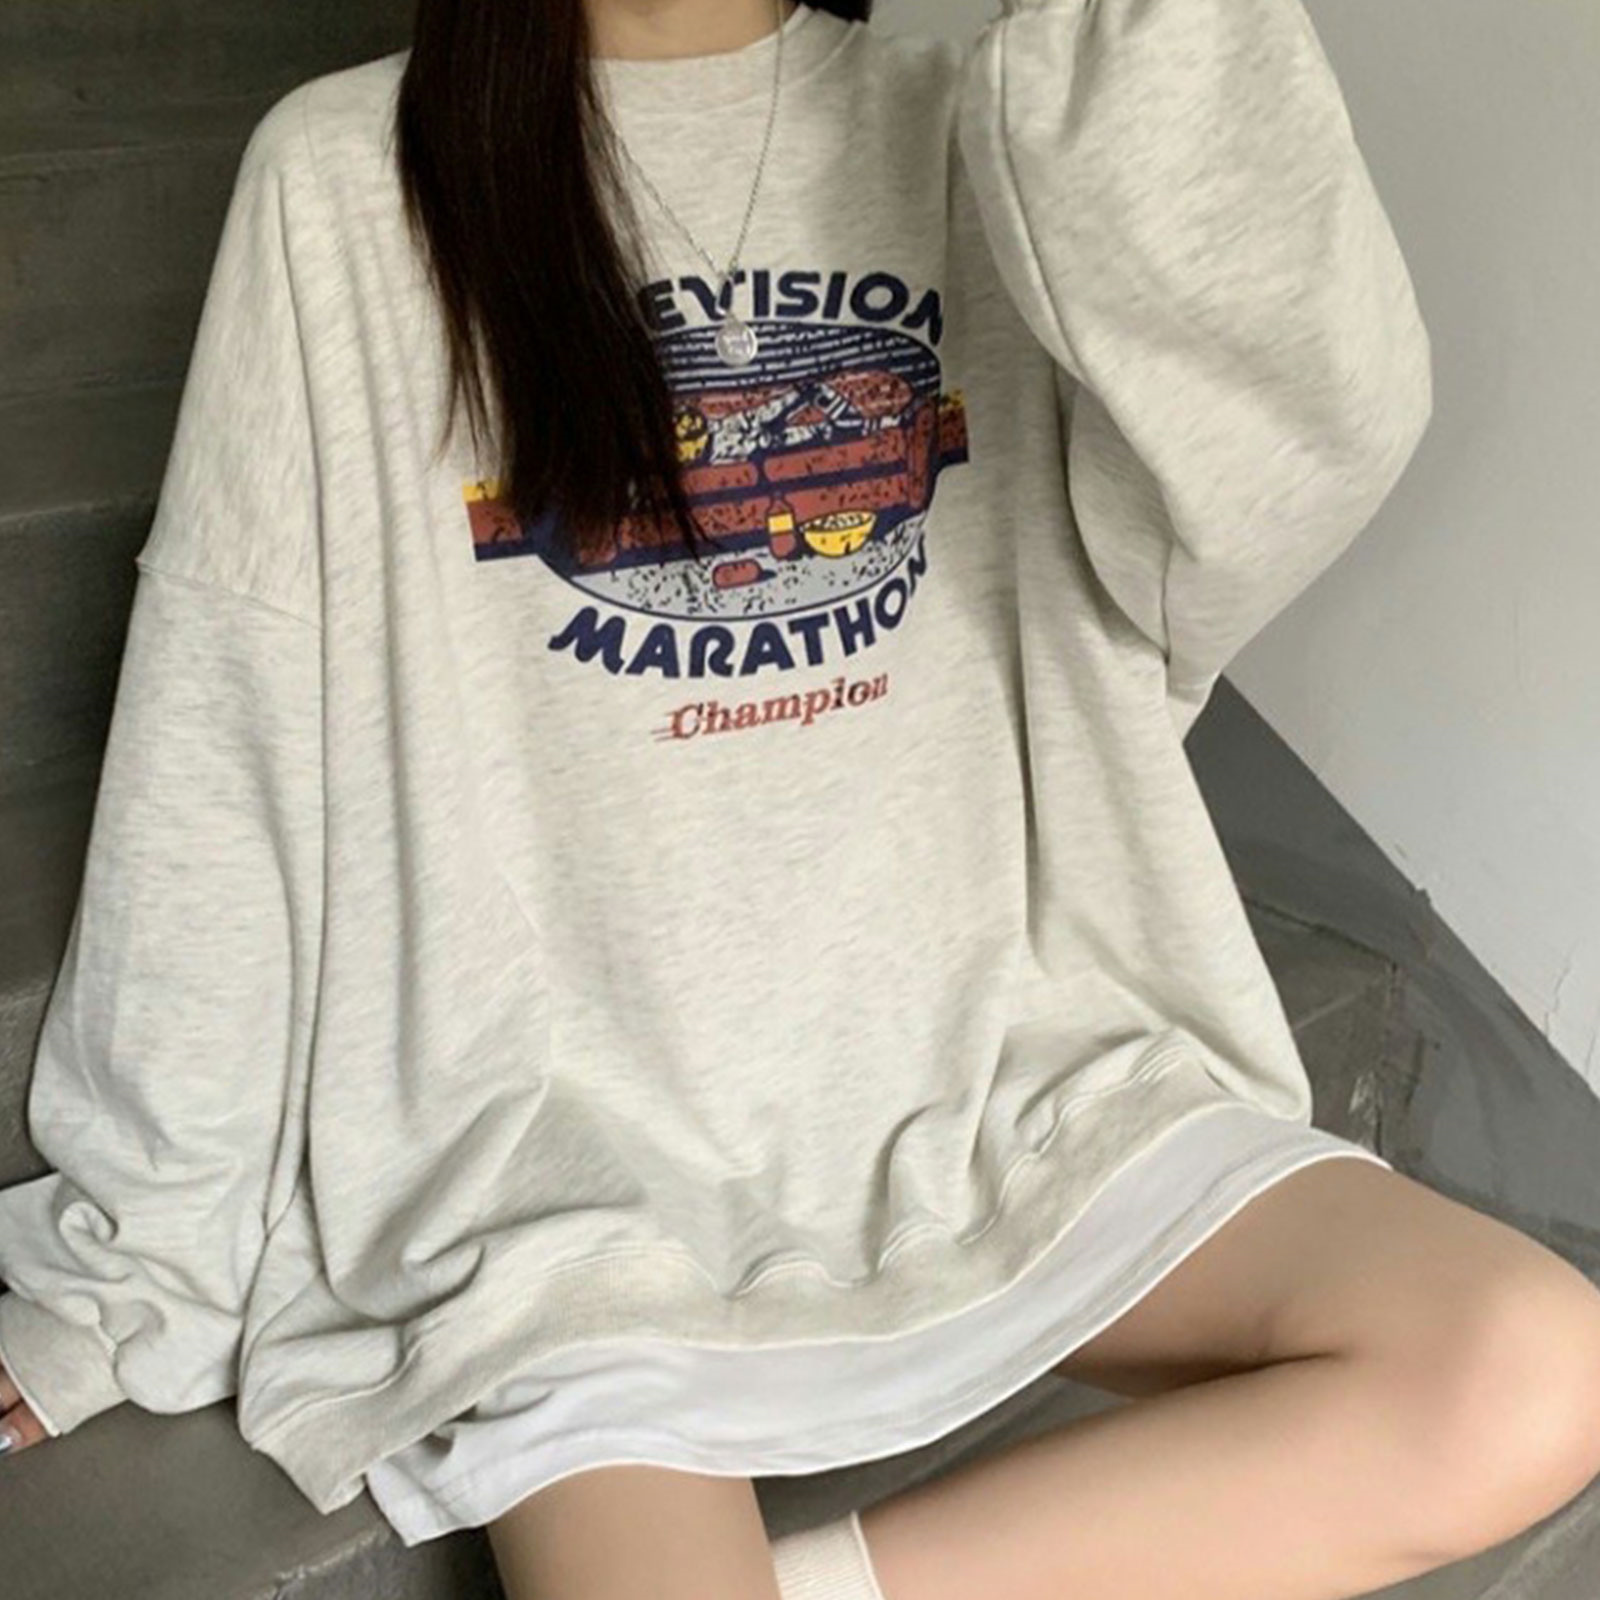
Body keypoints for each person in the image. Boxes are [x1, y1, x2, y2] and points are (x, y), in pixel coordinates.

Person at [3, 1, 1599, 1597]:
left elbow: (1292, 455)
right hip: (567, 1187)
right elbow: (228, 714)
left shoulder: (1004, 124)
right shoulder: (343, 178)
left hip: (1014, 1089)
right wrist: (132, 1267)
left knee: (1529, 1372)